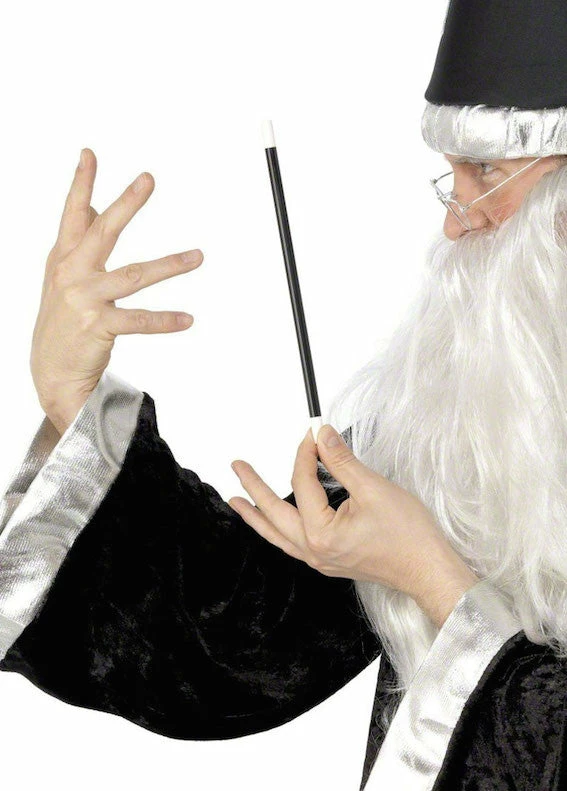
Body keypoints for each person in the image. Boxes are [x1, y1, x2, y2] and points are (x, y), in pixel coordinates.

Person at [3, 0, 567, 788]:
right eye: (453, 175)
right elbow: (246, 637)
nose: (454, 222)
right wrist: (72, 396)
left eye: (487, 174)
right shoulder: (476, 409)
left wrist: (435, 582)